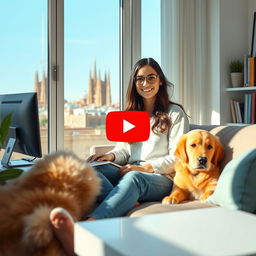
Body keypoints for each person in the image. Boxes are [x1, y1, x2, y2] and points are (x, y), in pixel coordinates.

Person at [50, 57, 189, 255]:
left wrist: (143, 168)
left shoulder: (174, 113)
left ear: (160, 81)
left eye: (151, 78)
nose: (145, 83)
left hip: (161, 177)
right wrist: (111, 157)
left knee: (133, 178)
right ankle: (127, 200)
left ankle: (87, 228)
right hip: (131, 169)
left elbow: (178, 158)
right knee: (89, 168)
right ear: (134, 83)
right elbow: (124, 151)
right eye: (140, 79)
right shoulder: (132, 113)